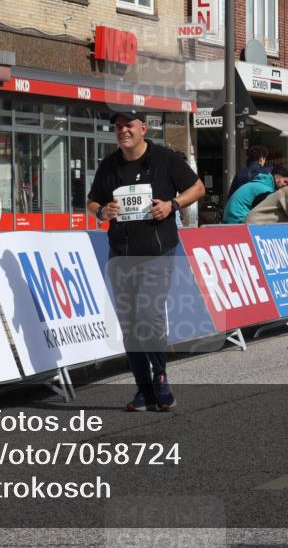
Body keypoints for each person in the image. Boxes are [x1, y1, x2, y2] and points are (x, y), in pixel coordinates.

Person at [87, 110, 205, 412]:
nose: (122, 131)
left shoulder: (164, 158)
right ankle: (143, 390)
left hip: (158, 251)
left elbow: (198, 187)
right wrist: (102, 212)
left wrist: (172, 205)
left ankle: (161, 376)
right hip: (121, 253)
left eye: (128, 125)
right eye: (117, 126)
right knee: (130, 323)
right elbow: (91, 200)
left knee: (150, 315)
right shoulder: (109, 165)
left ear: (143, 128)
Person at [223, 165, 288, 224]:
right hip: (238, 220)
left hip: (230, 218)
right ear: (276, 178)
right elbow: (264, 213)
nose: (286, 185)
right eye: (285, 181)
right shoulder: (265, 190)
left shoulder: (259, 184)